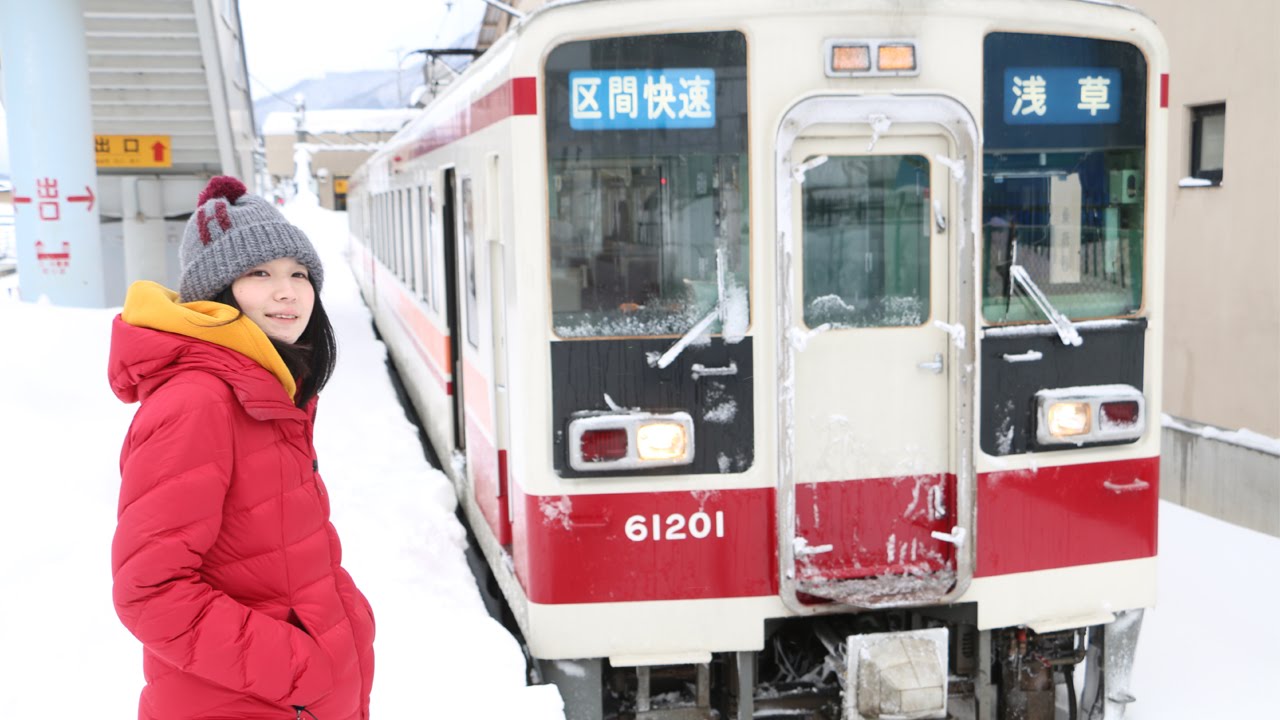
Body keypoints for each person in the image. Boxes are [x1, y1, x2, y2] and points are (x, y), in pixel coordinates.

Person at [107, 176, 375, 720]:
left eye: (299, 274)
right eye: (260, 274)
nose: (288, 292)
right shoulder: (199, 401)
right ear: (216, 292)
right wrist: (303, 667)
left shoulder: (270, 391)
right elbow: (150, 591)